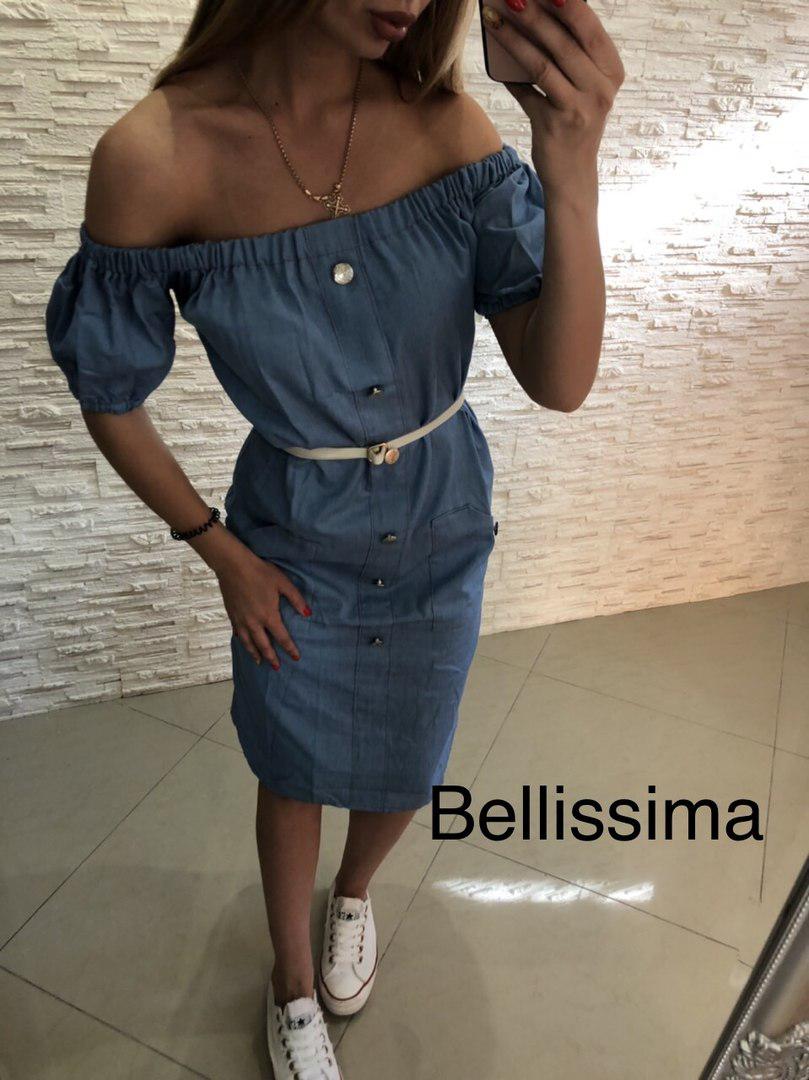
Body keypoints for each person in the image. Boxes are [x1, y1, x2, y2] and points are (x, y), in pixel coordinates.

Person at [44, 0, 623, 1075]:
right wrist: (219, 551)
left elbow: (559, 380)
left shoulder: (446, 127)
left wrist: (570, 167)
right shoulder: (155, 154)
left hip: (441, 513)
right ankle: (291, 982)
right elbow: (109, 394)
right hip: (291, 531)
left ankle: (352, 895)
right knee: (294, 761)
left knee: (409, 753)